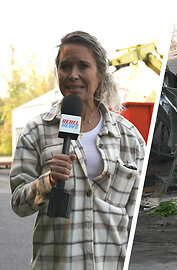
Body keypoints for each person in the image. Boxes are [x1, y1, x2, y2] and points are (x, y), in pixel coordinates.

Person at [10, 31, 145, 269]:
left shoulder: (129, 136)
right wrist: (48, 181)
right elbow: (19, 204)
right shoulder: (36, 131)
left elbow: (136, 213)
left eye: (83, 66)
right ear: (58, 73)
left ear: (100, 74)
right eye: (65, 67)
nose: (73, 75)